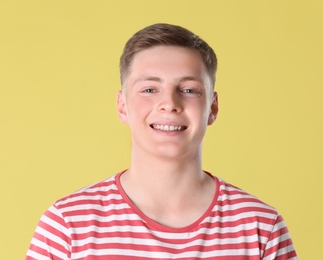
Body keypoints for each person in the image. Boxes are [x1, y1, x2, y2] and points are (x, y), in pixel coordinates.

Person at [26, 23, 297, 260]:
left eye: (189, 90)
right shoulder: (67, 225)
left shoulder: (261, 227)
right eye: (149, 89)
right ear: (122, 106)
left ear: (212, 108)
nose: (169, 103)